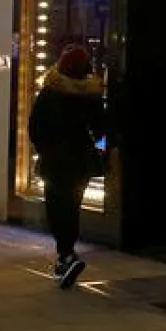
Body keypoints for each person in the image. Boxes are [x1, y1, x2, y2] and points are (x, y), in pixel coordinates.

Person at [27, 45, 106, 289]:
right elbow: (100, 127)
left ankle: (65, 254)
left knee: (55, 206)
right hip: (80, 159)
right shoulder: (91, 95)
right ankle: (66, 254)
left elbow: (34, 126)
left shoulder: (50, 92)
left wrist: (43, 147)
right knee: (72, 205)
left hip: (54, 158)